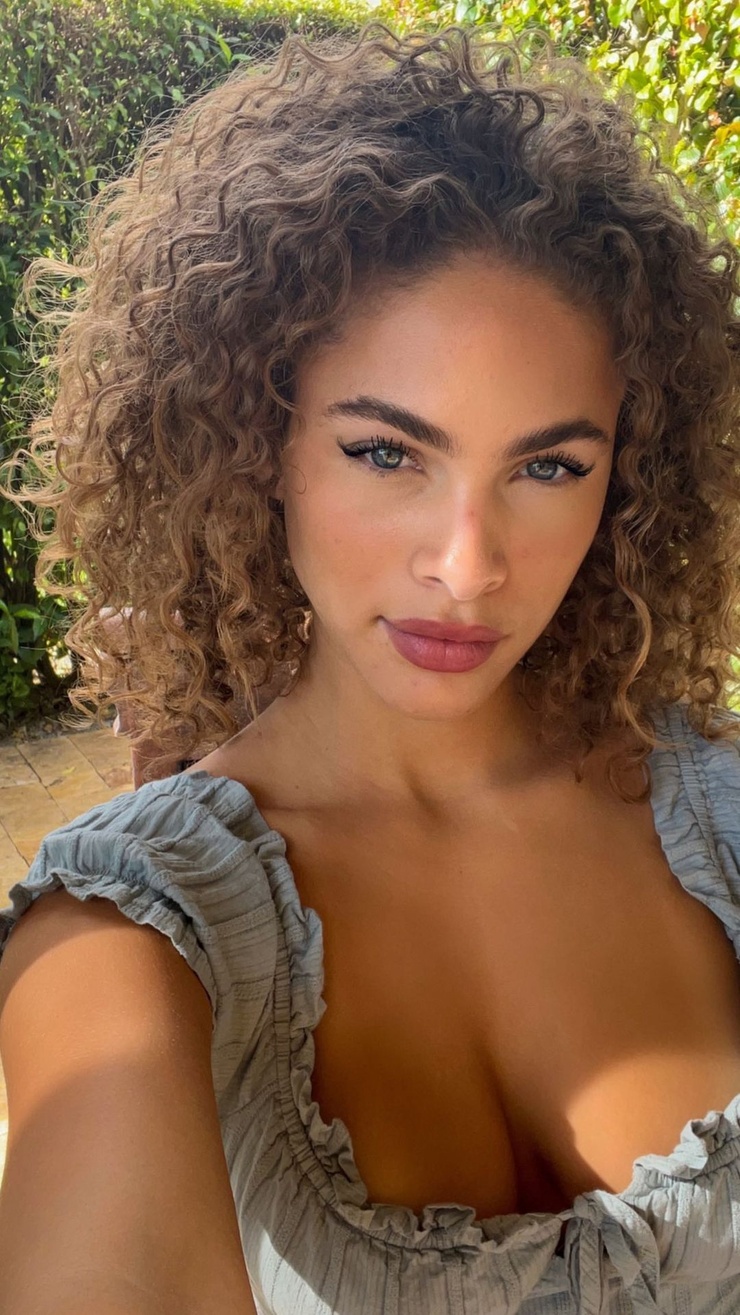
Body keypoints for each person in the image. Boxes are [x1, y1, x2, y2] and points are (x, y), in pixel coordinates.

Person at [1, 19, 740, 1315]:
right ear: (258, 439)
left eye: (549, 465)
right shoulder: (125, 942)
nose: (468, 565)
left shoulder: (716, 811)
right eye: (387, 452)